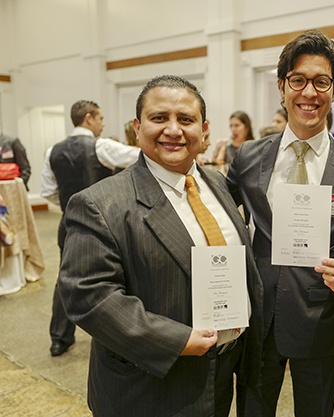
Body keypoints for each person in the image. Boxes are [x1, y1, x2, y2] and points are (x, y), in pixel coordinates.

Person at [57, 75, 263, 416]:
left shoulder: (217, 184)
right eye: (159, 118)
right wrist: (176, 341)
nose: (173, 130)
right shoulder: (99, 203)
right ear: (138, 128)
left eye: (186, 119)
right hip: (150, 387)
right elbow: (88, 295)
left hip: (222, 374)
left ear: (204, 130)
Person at [227, 30, 334, 417]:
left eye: (321, 82)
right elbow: (219, 216)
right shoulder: (248, 157)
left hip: (319, 321)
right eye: (298, 80)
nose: (309, 92)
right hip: (257, 315)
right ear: (282, 86)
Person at [40, 100, 140, 357]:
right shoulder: (102, 146)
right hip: (104, 224)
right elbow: (140, 155)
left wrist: (71, 207)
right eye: (100, 118)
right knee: (114, 277)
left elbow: (48, 191)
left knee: (65, 278)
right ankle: (117, 336)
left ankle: (59, 338)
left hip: (68, 222)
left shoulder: (52, 151)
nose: (103, 124)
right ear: (88, 118)